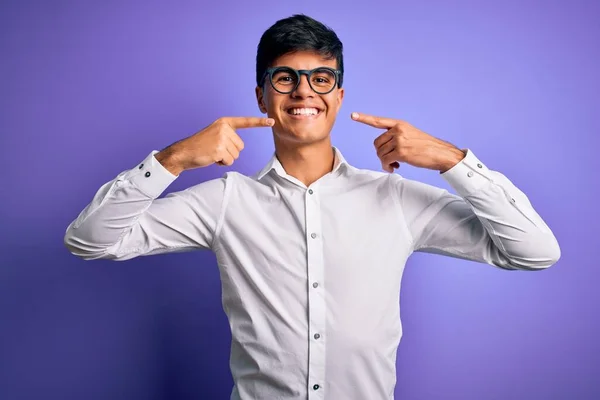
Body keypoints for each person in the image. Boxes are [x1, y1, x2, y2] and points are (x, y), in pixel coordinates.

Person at [64, 14, 560, 400]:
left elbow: (534, 251)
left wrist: (453, 160)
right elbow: (91, 240)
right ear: (262, 96)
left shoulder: (395, 199)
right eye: (285, 79)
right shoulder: (225, 200)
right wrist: (171, 160)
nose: (304, 92)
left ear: (338, 96)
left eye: (321, 79)